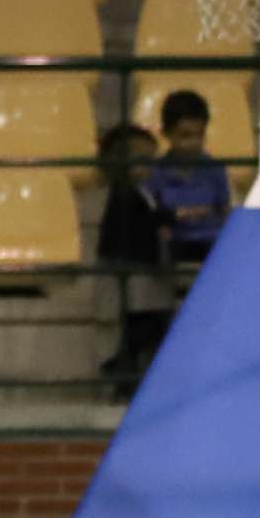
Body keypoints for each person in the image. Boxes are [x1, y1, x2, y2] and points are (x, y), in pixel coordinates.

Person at [95, 123, 173, 389]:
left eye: (152, 160)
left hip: (145, 270)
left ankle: (127, 370)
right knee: (142, 325)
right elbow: (138, 229)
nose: (151, 168)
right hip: (134, 268)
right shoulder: (125, 197)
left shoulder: (145, 192)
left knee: (151, 324)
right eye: (142, 161)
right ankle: (121, 370)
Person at [146, 90, 230, 264]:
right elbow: (154, 216)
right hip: (174, 246)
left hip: (210, 245)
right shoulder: (155, 172)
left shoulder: (215, 169)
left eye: (199, 135)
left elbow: (223, 209)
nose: (194, 143)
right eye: (185, 136)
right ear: (166, 133)